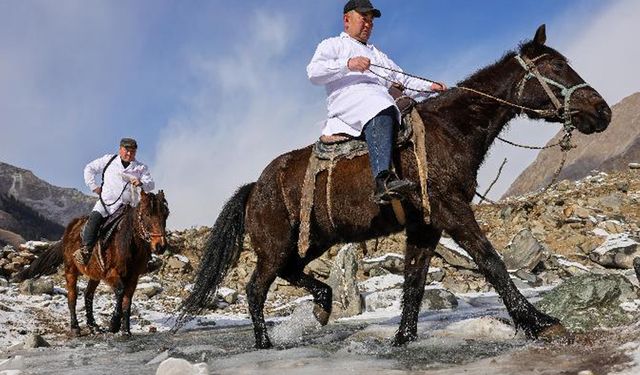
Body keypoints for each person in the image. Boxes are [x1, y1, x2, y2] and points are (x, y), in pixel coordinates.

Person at [307, 0, 447, 203]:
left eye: (371, 21)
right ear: (347, 20)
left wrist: (430, 86)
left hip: (378, 96)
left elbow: (402, 79)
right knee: (382, 105)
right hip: (349, 99)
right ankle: (383, 181)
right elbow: (313, 72)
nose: (368, 24)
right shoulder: (333, 45)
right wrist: (348, 64)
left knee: (402, 108)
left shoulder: (378, 55)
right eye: (364, 18)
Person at [73, 138, 155, 265]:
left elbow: (151, 185)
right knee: (94, 220)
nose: (129, 154)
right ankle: (86, 251)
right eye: (127, 151)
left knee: (143, 227)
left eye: (133, 152)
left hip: (128, 208)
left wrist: (141, 182)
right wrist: (94, 187)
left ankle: (147, 259)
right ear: (120, 149)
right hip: (106, 204)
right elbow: (89, 168)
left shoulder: (141, 168)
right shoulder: (108, 160)